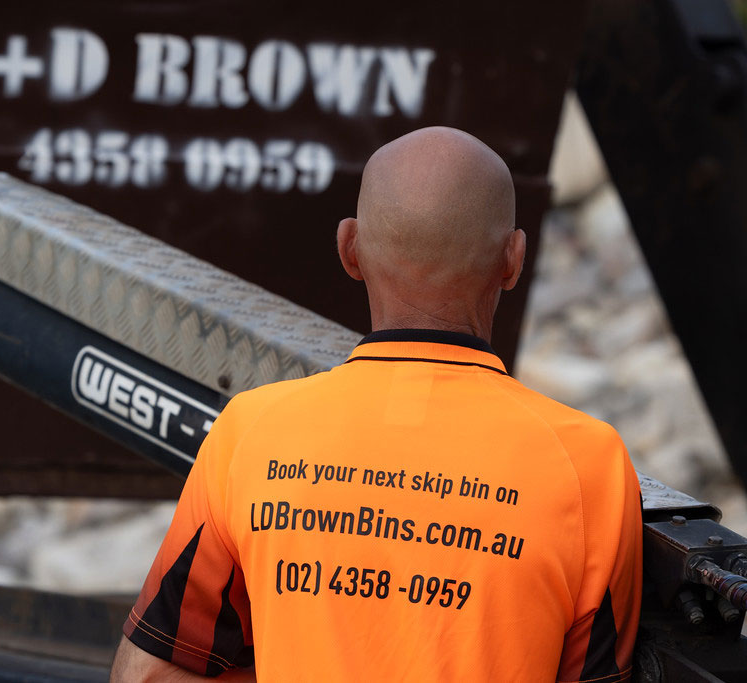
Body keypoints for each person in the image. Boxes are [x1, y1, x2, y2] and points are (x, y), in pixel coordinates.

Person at [110, 127, 642, 682]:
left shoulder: (252, 430)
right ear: (513, 259)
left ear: (350, 249)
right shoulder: (590, 466)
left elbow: (146, 676)